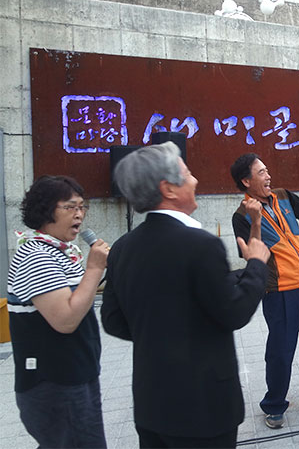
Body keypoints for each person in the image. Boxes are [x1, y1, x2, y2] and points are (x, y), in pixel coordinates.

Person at [101, 142, 271, 448]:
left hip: (151, 404)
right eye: (188, 174)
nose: (195, 181)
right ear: (168, 189)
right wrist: (257, 264)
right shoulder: (200, 245)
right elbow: (234, 312)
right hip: (203, 409)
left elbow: (113, 321)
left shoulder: (122, 249)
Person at [230, 153, 299, 429]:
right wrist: (255, 220)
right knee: (280, 352)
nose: (268, 176)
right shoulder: (240, 217)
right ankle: (274, 404)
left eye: (267, 170)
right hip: (279, 292)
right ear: (246, 181)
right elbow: (251, 254)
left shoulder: (282, 196)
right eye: (261, 172)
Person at [7, 175, 109, 448]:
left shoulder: (61, 251)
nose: (79, 215)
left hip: (77, 374)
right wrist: (95, 268)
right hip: (54, 383)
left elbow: (83, 292)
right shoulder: (36, 255)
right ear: (45, 209)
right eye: (71, 207)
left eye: (82, 207)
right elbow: (65, 320)